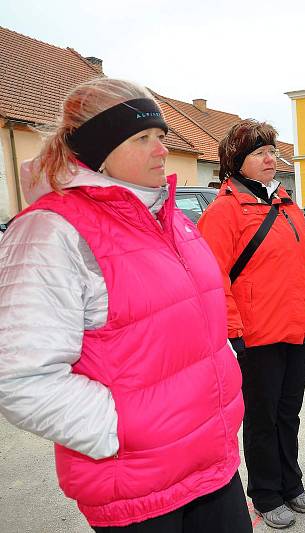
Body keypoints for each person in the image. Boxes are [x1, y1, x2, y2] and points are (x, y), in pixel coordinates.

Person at [0, 78, 249, 532]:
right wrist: (122, 431)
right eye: (142, 138)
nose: (161, 151)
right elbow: (20, 378)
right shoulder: (51, 231)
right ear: (99, 148)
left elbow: (197, 334)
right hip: (138, 489)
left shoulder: (171, 220)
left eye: (162, 137)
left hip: (211, 466)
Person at [197, 119, 305, 530]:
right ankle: (266, 493)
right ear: (237, 162)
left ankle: (291, 484)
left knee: (288, 413)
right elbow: (211, 277)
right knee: (261, 419)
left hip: (295, 329)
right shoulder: (224, 211)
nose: (271, 158)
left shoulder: (287, 205)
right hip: (255, 337)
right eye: (259, 153)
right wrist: (232, 331)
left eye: (272, 151)